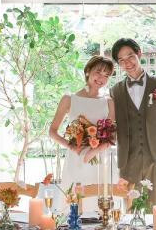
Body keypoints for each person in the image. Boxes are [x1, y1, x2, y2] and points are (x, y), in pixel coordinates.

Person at [110, 38, 156, 206]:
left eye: (130, 56)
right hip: (128, 163)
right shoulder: (115, 91)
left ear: (139, 53)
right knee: (130, 214)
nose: (127, 63)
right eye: (121, 60)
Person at [49, 55, 116, 200]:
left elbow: (111, 136)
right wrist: (72, 147)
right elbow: (52, 131)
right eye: (98, 72)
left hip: (101, 160)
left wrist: (93, 152)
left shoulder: (109, 102)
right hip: (76, 158)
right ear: (88, 71)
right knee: (74, 201)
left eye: (106, 75)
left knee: (101, 202)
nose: (102, 78)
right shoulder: (69, 99)